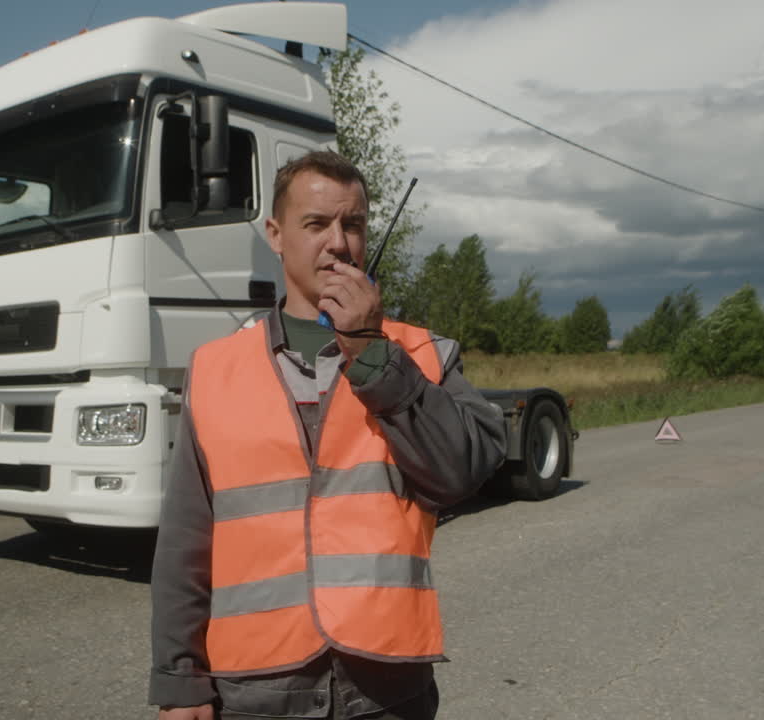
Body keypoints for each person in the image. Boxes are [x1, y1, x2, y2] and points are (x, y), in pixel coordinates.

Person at [149, 151, 506, 720]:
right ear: (276, 234)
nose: (338, 243)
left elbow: (462, 471)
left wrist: (372, 353)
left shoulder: (420, 354)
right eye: (316, 224)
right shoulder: (216, 368)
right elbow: (187, 539)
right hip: (257, 689)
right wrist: (180, 677)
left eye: (354, 224)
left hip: (386, 687)